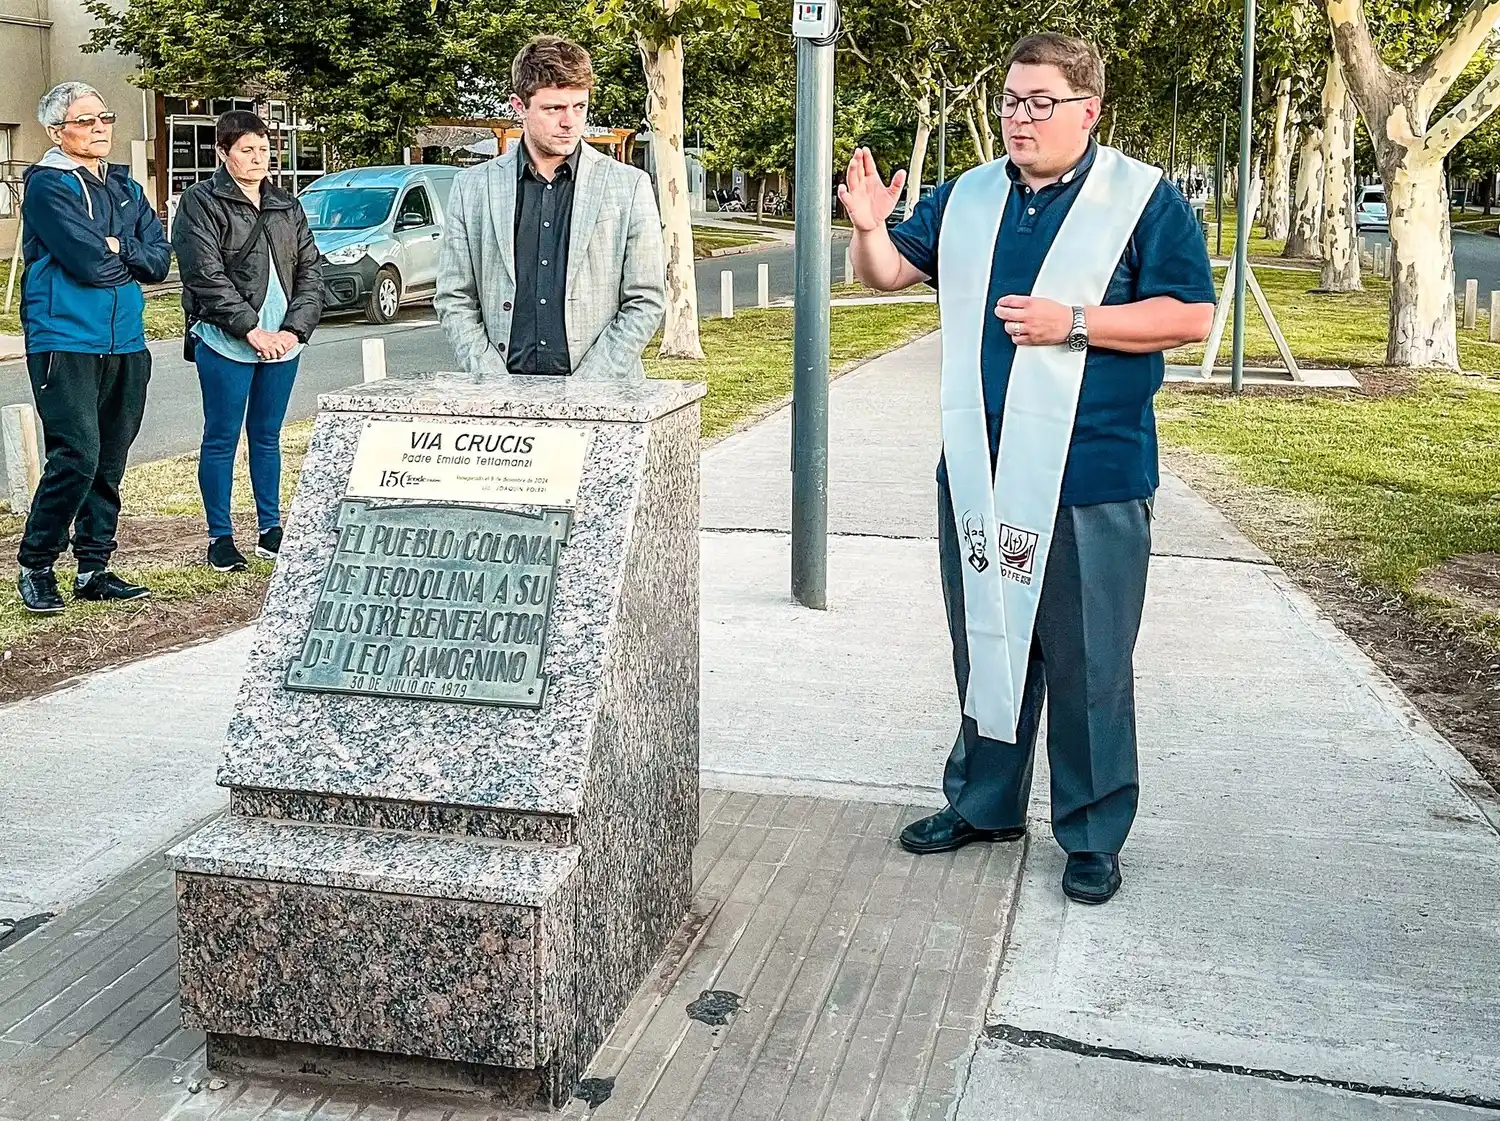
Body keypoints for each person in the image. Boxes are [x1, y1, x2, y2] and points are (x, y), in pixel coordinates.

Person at [842, 33, 1216, 905]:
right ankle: (985, 802)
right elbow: (891, 273)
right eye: (1012, 100)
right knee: (988, 639)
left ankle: (1091, 833)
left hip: (1091, 472)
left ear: (1089, 110)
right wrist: (866, 229)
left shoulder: (1142, 200)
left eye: (1040, 102)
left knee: (1090, 662)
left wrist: (1074, 321)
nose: (1020, 117)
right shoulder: (971, 195)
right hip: (978, 461)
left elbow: (1192, 315)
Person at [15, 82, 171, 615]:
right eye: (86, 120)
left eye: (104, 117)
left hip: (126, 339)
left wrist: (117, 245)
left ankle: (93, 567)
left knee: (109, 457)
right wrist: (122, 252)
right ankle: (37, 564)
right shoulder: (47, 185)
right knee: (76, 454)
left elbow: (160, 261)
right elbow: (89, 265)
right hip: (65, 338)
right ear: (57, 131)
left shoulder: (126, 186)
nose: (101, 127)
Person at [435, 35, 665, 380]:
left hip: (603, 397)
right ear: (519, 106)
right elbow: (455, 297)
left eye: (579, 107)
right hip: (502, 397)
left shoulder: (628, 186)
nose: (570, 121)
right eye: (554, 108)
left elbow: (645, 299)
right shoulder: (472, 188)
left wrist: (588, 386)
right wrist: (490, 377)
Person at [172, 111, 323, 573]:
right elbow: (204, 275)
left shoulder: (286, 204)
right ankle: (220, 537)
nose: (257, 159)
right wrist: (250, 329)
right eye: (246, 150)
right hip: (225, 340)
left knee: (267, 435)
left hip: (282, 342)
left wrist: (293, 331)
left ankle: (270, 528)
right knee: (220, 438)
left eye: (263, 149)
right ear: (223, 153)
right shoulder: (201, 202)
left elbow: (312, 271)